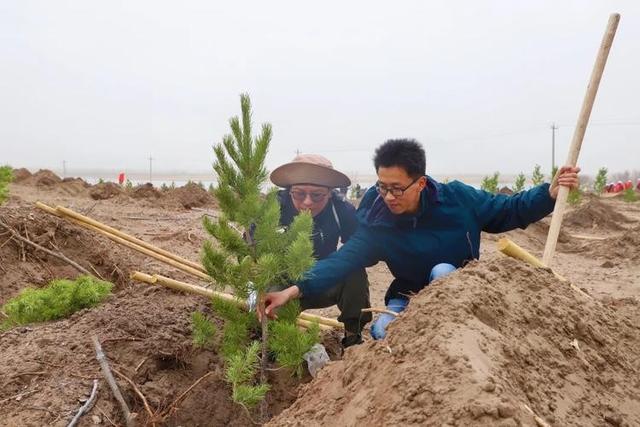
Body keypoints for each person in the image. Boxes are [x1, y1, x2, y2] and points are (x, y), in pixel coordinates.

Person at [260, 139, 580, 341]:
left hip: (458, 295)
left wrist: (547, 194)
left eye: (397, 188)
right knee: (383, 333)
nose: (388, 196)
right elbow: (344, 259)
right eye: (382, 186)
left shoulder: (457, 199)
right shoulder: (377, 220)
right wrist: (294, 289)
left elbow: (509, 210)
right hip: (406, 295)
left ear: (421, 182)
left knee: (442, 270)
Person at [270, 154, 372, 346]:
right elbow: (250, 256)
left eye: (317, 195)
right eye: (299, 194)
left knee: (354, 272)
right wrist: (252, 301)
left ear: (330, 192)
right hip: (280, 285)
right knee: (268, 314)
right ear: (289, 190)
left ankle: (353, 338)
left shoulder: (341, 210)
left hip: (324, 280)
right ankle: (278, 343)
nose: (307, 202)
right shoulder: (273, 208)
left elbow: (358, 251)